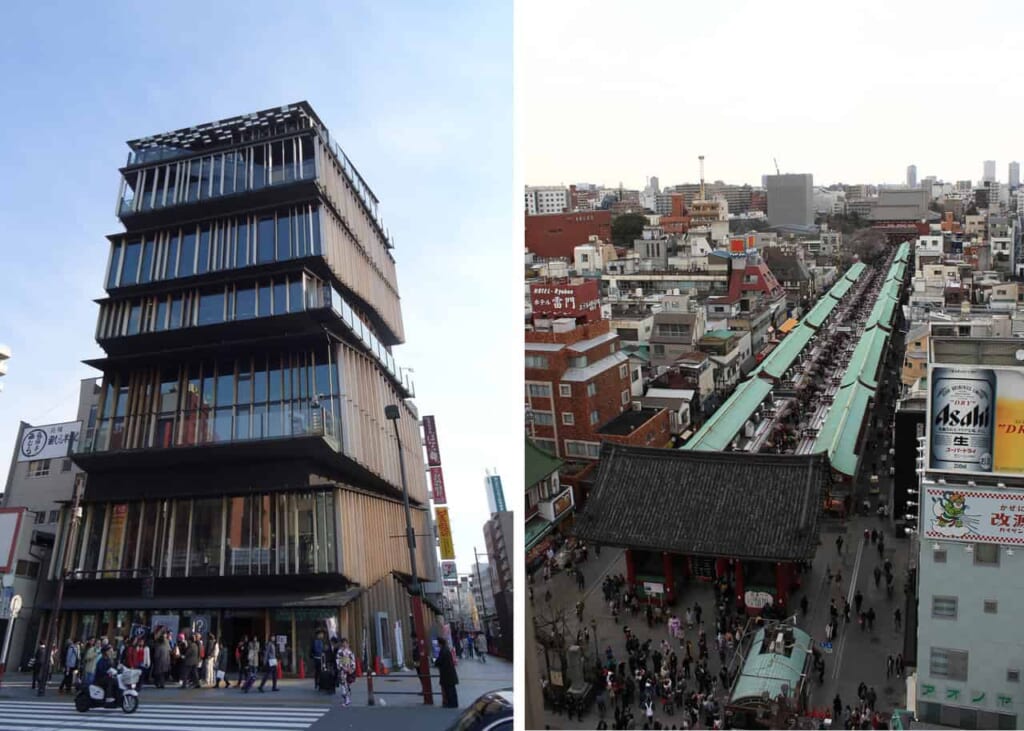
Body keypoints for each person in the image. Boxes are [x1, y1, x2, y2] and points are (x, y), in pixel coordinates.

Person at [435, 637, 459, 708]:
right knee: (451, 689)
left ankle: (451, 703)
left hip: (447, 674)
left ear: (440, 643)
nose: (437, 645)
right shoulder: (446, 649)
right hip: (449, 673)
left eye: (438, 643)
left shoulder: (443, 651)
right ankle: (453, 703)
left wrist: (436, 662)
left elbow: (439, 661)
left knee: (449, 690)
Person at [336, 637, 357, 707]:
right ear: (342, 644)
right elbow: (338, 660)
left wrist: (352, 668)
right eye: (343, 643)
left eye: (345, 643)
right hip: (342, 670)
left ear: (347, 644)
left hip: (349, 669)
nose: (344, 644)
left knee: (347, 684)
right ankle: (346, 699)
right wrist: (341, 667)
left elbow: (353, 661)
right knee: (343, 685)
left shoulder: (350, 652)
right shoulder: (339, 652)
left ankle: (347, 699)